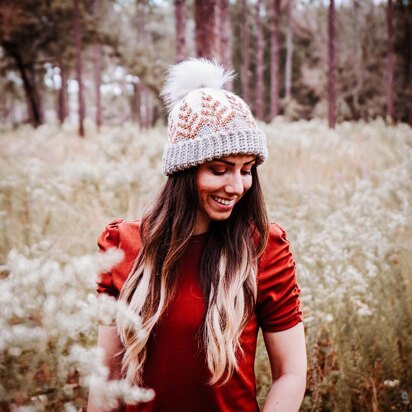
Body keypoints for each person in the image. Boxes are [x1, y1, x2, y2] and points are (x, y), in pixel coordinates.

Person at [88, 58, 306, 412]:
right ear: (183, 171)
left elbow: (291, 373)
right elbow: (108, 378)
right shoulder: (121, 246)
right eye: (219, 170)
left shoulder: (264, 249)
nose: (237, 186)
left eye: (247, 170)